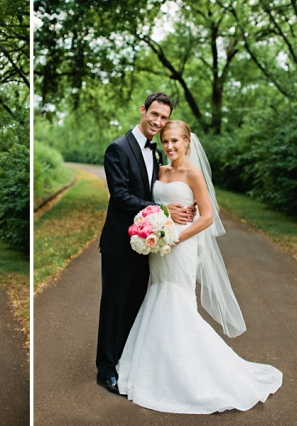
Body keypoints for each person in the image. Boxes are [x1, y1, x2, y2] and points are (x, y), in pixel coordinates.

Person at [116, 120, 282, 413]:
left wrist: (177, 236)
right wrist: (156, 225)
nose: (169, 147)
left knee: (179, 301)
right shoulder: (159, 170)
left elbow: (207, 216)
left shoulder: (192, 174)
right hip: (160, 247)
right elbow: (152, 205)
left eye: (175, 142)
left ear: (187, 142)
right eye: (165, 141)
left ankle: (192, 372)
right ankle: (157, 365)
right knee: (158, 295)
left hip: (182, 246)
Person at [97, 93, 195, 392]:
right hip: (119, 243)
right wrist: (165, 211)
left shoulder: (155, 153)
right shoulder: (118, 148)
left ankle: (125, 361)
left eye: (163, 118)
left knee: (135, 306)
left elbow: (158, 191)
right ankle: (106, 369)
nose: (157, 122)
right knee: (114, 306)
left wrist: (177, 213)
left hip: (149, 244)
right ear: (143, 110)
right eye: (154, 114)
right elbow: (121, 196)